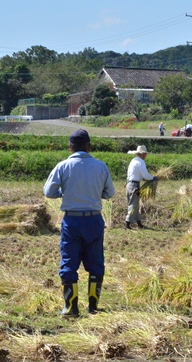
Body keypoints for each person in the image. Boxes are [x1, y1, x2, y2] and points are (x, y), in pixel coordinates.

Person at [43, 129, 115, 316]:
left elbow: (49, 192)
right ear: (89, 146)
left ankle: (71, 307)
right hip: (94, 220)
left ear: (70, 147)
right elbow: (109, 193)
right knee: (96, 262)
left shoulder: (63, 166)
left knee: (68, 262)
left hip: (72, 221)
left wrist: (65, 193)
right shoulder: (101, 166)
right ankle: (93, 307)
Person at [125, 145, 157, 230]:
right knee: (133, 205)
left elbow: (135, 174)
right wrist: (153, 178)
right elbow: (146, 176)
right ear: (142, 154)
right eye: (145, 154)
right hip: (134, 185)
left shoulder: (133, 160)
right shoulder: (141, 162)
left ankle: (139, 224)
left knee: (135, 204)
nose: (146, 155)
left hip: (129, 185)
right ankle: (127, 224)